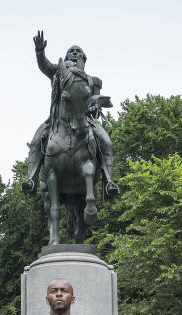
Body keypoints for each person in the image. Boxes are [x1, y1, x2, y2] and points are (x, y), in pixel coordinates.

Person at [21, 30, 118, 198]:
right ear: (65, 58)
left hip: (84, 120)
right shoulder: (58, 72)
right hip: (57, 120)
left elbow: (95, 97)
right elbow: (44, 65)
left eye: (78, 51)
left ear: (84, 59)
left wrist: (95, 104)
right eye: (70, 51)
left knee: (106, 142)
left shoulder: (93, 80)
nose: (74, 53)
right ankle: (31, 179)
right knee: (36, 140)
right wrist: (39, 51)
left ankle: (109, 182)